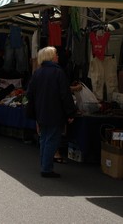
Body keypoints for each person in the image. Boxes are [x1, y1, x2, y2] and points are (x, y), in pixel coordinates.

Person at [26, 46, 77, 178]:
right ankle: (46, 168)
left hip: (41, 111)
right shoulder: (58, 72)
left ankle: (44, 165)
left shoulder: (37, 73)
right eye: (55, 54)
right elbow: (65, 95)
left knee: (44, 138)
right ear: (50, 57)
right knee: (52, 139)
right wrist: (71, 112)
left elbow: (30, 94)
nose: (58, 56)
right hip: (55, 112)